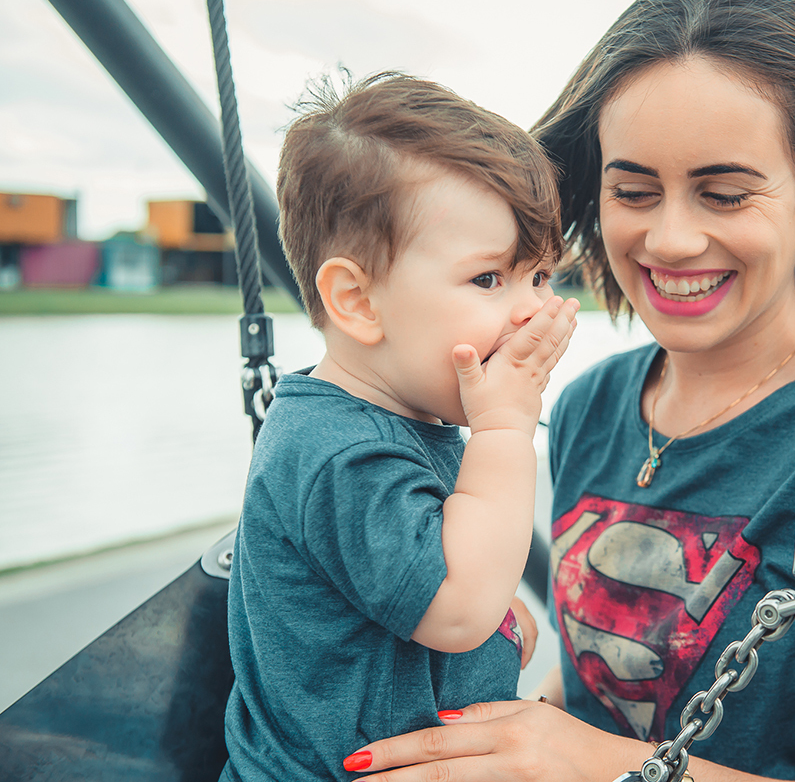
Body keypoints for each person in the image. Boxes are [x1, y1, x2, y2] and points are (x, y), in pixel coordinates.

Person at [341, 0, 795, 781]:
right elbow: (607, 701)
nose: (669, 237)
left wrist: (590, 763)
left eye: (724, 193)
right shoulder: (590, 403)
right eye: (632, 191)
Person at [219, 71, 580, 782]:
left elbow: (419, 561)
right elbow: (455, 607)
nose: (532, 311)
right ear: (357, 301)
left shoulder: (402, 416)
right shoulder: (339, 452)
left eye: (540, 277)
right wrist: (506, 428)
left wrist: (495, 612)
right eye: (489, 279)